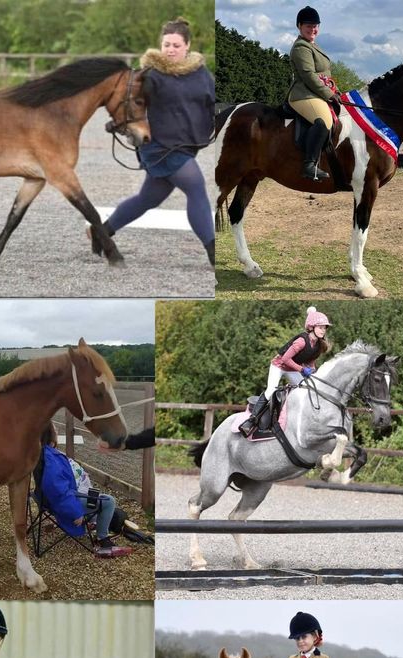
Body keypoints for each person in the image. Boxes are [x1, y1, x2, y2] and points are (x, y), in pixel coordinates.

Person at [89, 18, 215, 267]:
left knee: (148, 198)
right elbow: (125, 101)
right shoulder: (149, 75)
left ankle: (101, 232)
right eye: (166, 44)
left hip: (185, 145)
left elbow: (211, 101)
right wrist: (118, 121)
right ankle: (214, 253)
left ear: (187, 46)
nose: (170, 49)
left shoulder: (200, 73)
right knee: (195, 186)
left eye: (176, 45)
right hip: (159, 146)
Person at [239, 307, 331, 438]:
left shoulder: (318, 345)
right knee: (271, 390)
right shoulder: (300, 341)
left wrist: (313, 372)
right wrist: (302, 369)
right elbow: (285, 359)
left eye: (325, 328)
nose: (323, 330)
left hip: (292, 368)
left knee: (307, 389)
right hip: (279, 366)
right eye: (321, 327)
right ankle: (252, 420)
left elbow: (310, 362)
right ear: (312, 327)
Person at [38, 434, 135, 558]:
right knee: (109, 501)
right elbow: (59, 491)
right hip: (60, 504)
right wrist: (76, 512)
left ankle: (93, 521)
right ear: (52, 439)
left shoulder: (41, 454)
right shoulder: (53, 460)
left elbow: (57, 488)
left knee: (92, 494)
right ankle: (102, 539)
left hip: (46, 500)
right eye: (55, 433)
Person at [288, 7, 338, 180]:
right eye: (308, 25)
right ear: (299, 26)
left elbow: (325, 76)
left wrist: (335, 92)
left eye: (315, 25)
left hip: (316, 93)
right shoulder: (301, 47)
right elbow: (309, 75)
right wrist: (329, 95)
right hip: (303, 95)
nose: (313, 29)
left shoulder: (313, 46)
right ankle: (309, 165)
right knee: (324, 121)